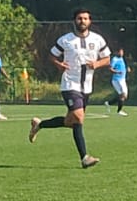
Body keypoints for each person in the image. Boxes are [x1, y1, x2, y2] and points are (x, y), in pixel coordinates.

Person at [29, 9, 110, 169]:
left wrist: (97, 64)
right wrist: (58, 64)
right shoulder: (66, 40)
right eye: (79, 18)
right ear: (74, 21)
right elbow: (52, 55)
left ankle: (40, 125)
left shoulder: (97, 39)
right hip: (70, 84)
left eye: (85, 18)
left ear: (90, 21)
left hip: (86, 86)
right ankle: (85, 158)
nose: (82, 21)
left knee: (71, 122)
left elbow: (107, 58)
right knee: (78, 118)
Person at [104, 48, 129, 117]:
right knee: (123, 95)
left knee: (123, 95)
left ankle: (109, 103)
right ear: (117, 52)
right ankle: (119, 111)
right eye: (120, 52)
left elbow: (122, 66)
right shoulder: (115, 59)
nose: (121, 53)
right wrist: (117, 72)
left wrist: (127, 68)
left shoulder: (121, 58)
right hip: (117, 79)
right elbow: (110, 68)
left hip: (122, 79)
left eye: (122, 52)